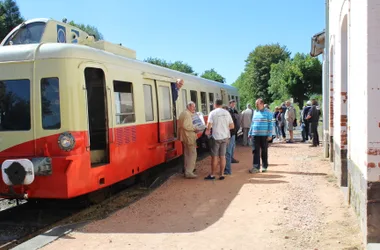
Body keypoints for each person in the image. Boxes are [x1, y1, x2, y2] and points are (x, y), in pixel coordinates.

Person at [205, 99, 234, 180]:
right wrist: (224, 128)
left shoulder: (212, 113)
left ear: (215, 104)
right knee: (223, 156)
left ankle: (212, 175)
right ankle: (221, 175)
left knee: (214, 157)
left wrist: (208, 129)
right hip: (225, 137)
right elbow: (232, 126)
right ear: (221, 104)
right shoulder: (226, 112)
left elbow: (209, 126)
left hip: (216, 137)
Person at [248, 98, 273, 173]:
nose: (256, 105)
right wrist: (250, 133)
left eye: (257, 103)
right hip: (255, 135)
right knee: (255, 151)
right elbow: (252, 123)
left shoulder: (268, 112)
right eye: (256, 104)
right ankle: (256, 167)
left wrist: (270, 135)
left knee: (264, 151)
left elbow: (270, 124)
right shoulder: (255, 112)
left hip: (264, 135)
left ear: (262, 104)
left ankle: (264, 167)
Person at [178, 101, 198, 179]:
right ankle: (189, 172)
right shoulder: (187, 114)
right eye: (193, 107)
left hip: (185, 136)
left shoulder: (183, 113)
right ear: (189, 106)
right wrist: (194, 128)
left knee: (187, 154)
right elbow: (186, 126)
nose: (194, 108)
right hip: (189, 136)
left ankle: (187, 170)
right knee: (192, 154)